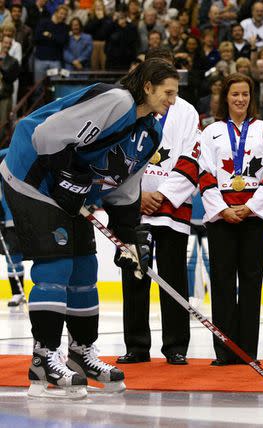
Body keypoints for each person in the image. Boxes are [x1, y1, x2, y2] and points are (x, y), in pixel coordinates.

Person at [0, 58, 179, 399]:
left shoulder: (151, 132)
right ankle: (43, 361)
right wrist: (69, 174)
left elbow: (126, 189)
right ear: (148, 87)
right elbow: (45, 133)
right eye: (168, 93)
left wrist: (127, 240)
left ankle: (81, 354)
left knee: (84, 266)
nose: (172, 101)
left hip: (69, 193)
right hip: (31, 177)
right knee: (56, 264)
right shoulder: (117, 101)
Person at [157, 73, 263, 365]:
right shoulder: (211, 132)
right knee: (223, 283)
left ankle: (248, 351)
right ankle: (225, 352)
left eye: (245, 94)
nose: (240, 99)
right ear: (225, 98)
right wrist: (223, 209)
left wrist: (250, 208)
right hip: (220, 216)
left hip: (254, 217)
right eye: (235, 94)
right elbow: (204, 174)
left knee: (251, 283)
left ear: (252, 98)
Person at [117, 48, 199, 366]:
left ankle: (176, 346)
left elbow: (192, 159)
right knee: (134, 276)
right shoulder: (131, 109)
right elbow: (118, 155)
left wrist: (161, 195)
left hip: (172, 212)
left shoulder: (187, 112)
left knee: (174, 277)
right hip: (134, 207)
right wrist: (137, 195)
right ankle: (137, 346)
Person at [0, 148, 25, 307]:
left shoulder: (38, 149)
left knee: (45, 256)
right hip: (11, 219)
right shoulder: (4, 155)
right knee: (13, 257)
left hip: (36, 216)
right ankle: (17, 293)